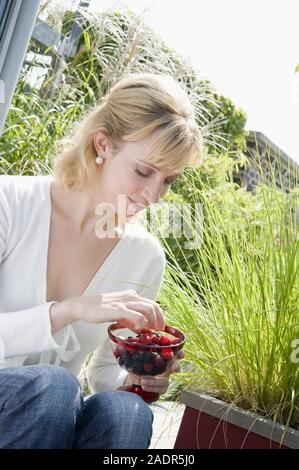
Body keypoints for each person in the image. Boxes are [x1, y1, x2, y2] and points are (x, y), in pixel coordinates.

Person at [0, 72, 204, 448]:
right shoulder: (9, 204)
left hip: (51, 417)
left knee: (127, 413)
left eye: (168, 180)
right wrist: (69, 310)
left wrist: (138, 379)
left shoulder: (144, 256)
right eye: (143, 171)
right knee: (55, 386)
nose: (153, 196)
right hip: (33, 402)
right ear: (103, 144)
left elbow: (105, 372)